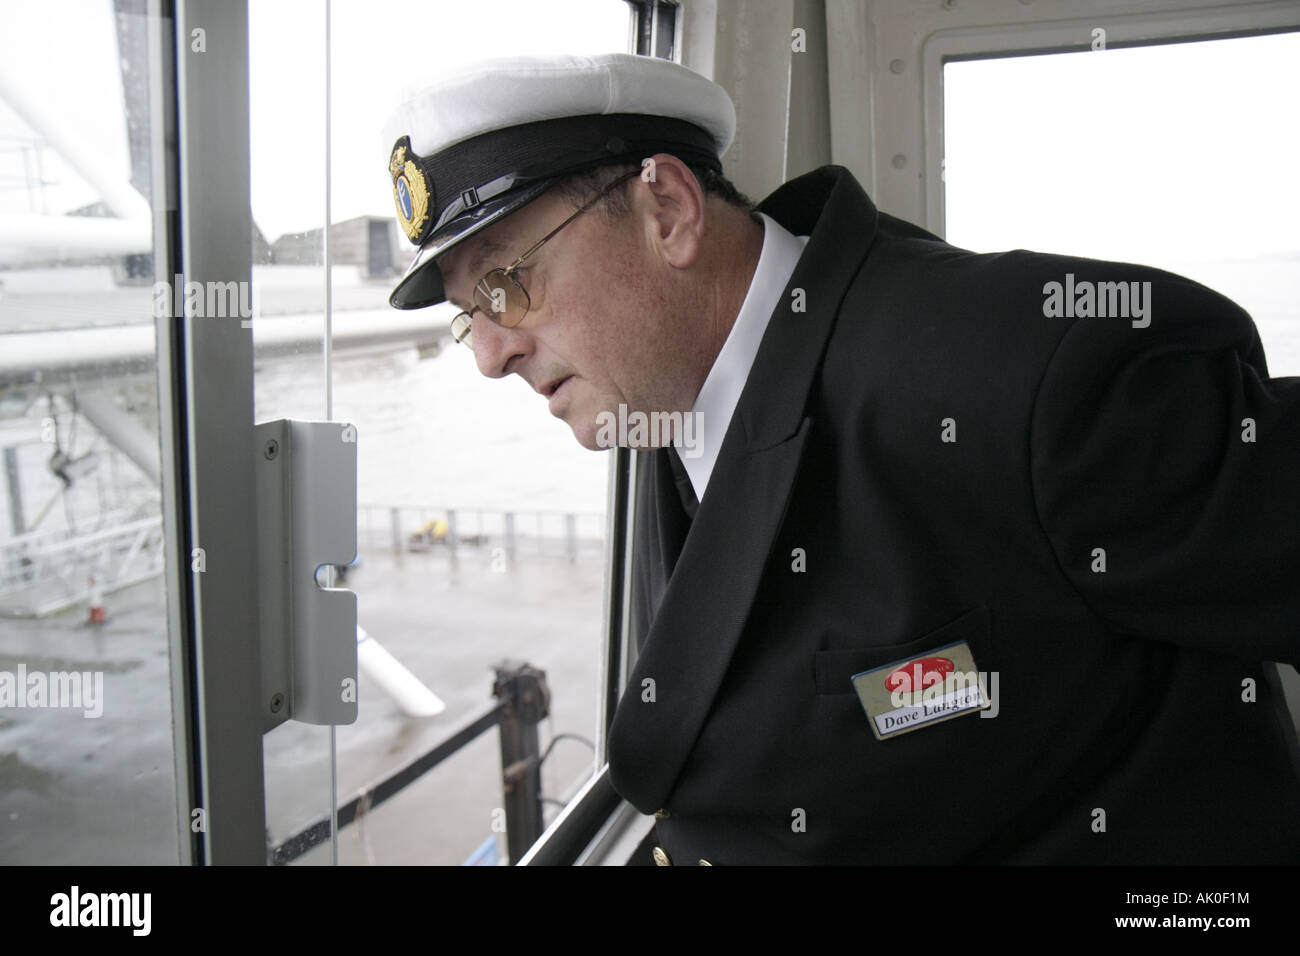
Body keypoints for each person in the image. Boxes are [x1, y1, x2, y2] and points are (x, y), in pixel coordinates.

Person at [383, 52, 1300, 864]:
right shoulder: (664, 395)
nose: (492, 355)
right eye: (472, 316)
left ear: (667, 210)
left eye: (508, 283)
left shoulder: (1038, 375)